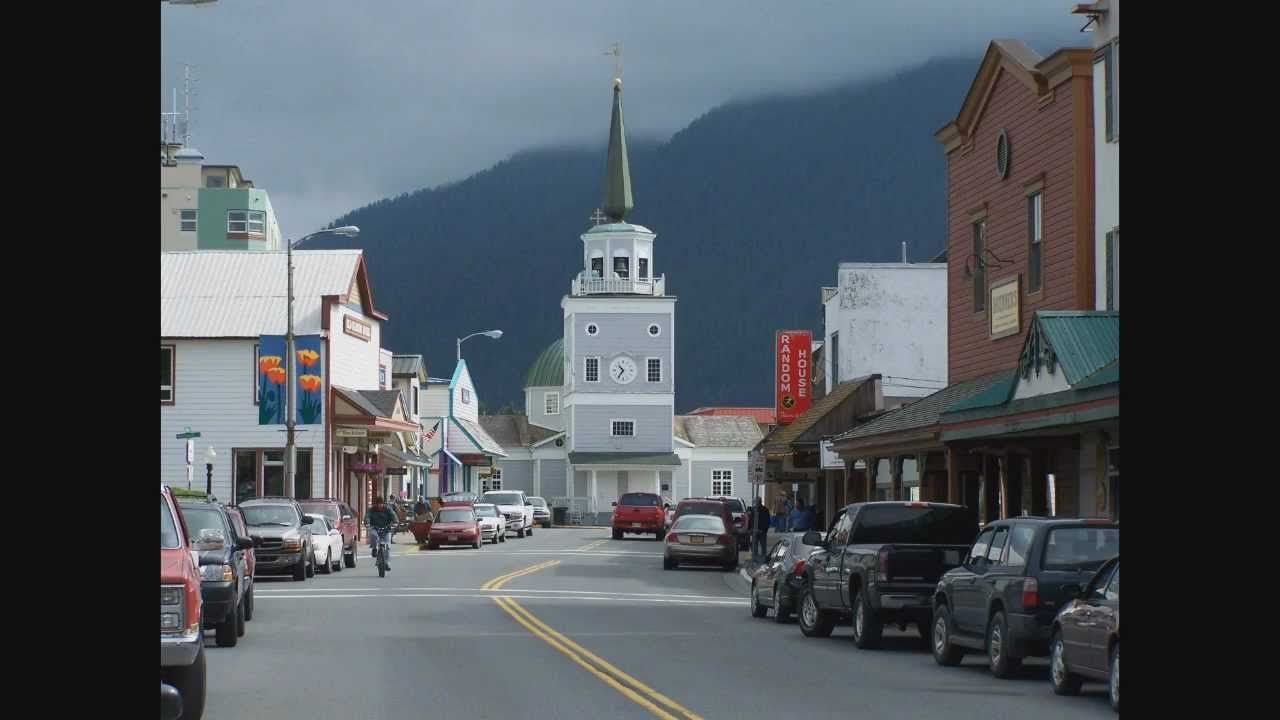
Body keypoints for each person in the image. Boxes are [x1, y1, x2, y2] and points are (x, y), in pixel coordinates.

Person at [365, 496, 398, 572]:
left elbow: (394, 515)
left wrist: (395, 522)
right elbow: (367, 516)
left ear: (383, 504)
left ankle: (387, 563)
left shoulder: (388, 509)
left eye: (381, 504)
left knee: (387, 546)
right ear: (376, 504)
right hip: (375, 528)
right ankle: (374, 548)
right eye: (378, 504)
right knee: (373, 535)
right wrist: (367, 523)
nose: (380, 505)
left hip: (386, 529)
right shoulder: (372, 510)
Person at [751, 497, 771, 563]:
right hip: (754, 531)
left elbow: (767, 521)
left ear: (759, 502)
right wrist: (751, 529)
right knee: (754, 546)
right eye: (754, 502)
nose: (755, 503)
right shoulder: (752, 509)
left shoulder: (765, 510)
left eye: (756, 502)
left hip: (762, 531)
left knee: (763, 546)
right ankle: (755, 558)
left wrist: (764, 530)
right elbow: (751, 520)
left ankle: (763, 559)